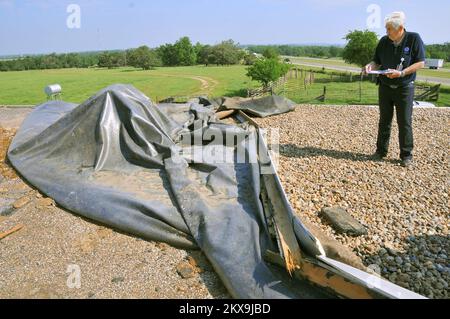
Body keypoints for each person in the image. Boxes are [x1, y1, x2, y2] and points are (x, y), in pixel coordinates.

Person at [363, 12, 426, 167]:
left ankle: (406, 155)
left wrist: (402, 73)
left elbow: (421, 63)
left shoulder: (414, 39)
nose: (386, 32)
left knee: (404, 122)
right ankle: (380, 151)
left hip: (404, 87)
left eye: (389, 29)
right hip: (385, 87)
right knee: (384, 120)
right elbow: (376, 61)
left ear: (400, 29)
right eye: (386, 29)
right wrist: (370, 66)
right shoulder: (384, 41)